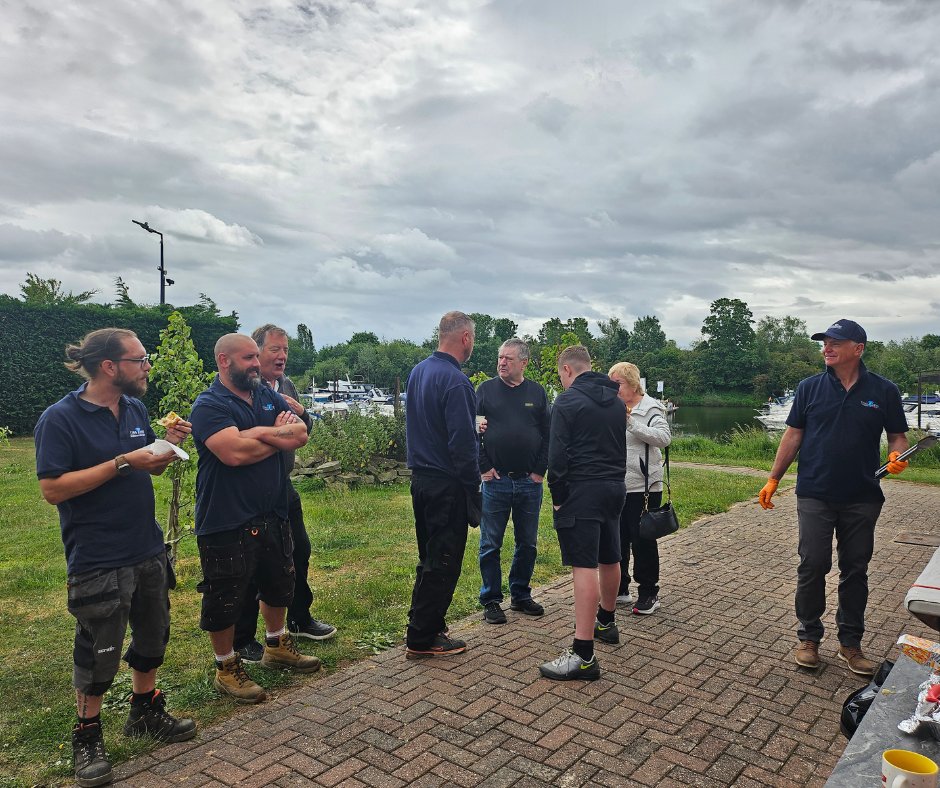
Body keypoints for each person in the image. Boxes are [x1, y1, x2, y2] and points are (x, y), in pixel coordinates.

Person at [35, 328, 196, 788]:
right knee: (99, 648)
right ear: (110, 366)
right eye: (141, 359)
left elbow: (149, 463)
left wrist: (164, 446)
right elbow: (53, 489)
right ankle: (86, 734)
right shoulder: (59, 419)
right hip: (98, 555)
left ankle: (145, 711)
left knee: (153, 636)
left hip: (146, 545)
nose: (148, 367)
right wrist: (125, 460)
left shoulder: (135, 408)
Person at [759, 319, 909, 675]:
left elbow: (898, 436)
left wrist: (897, 457)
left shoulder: (884, 390)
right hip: (815, 492)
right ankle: (808, 637)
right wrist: (773, 478)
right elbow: (793, 435)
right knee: (812, 565)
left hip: (863, 495)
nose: (826, 348)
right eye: (824, 342)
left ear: (858, 348)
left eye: (835, 342)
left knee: (855, 569)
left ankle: (850, 645)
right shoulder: (809, 388)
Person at [189, 333, 320, 704]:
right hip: (227, 516)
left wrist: (258, 433)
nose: (256, 364)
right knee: (226, 595)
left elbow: (300, 432)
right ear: (223, 361)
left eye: (255, 357)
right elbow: (233, 454)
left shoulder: (265, 393)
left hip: (273, 508)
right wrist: (275, 435)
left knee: (280, 580)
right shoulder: (209, 405)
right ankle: (226, 666)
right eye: (248, 357)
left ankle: (277, 645)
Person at [233, 325, 336, 663]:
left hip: (283, 484)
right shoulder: (244, 389)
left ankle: (298, 618)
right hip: (249, 490)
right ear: (256, 352)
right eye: (275, 350)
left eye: (285, 350)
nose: (281, 357)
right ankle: (243, 638)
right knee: (249, 563)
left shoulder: (285, 386)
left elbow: (304, 430)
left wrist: (303, 414)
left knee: (298, 550)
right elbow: (244, 438)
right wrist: (282, 431)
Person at [540, 346, 626, 681]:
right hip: (614, 488)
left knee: (584, 566)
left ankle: (583, 653)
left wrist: (558, 496)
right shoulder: (617, 402)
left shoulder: (567, 401)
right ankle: (606, 621)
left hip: (582, 492)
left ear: (566, 369)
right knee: (610, 556)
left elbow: (557, 456)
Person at [405, 311, 481, 658]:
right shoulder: (455, 381)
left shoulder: (419, 372)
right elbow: (462, 444)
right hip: (445, 484)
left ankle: (427, 622)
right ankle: (423, 637)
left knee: (429, 555)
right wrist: (473, 487)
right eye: (473, 339)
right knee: (443, 559)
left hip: (421, 480)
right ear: (465, 337)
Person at [476, 338, 550, 624]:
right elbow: (471, 427)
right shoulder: (485, 391)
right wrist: (483, 466)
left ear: (524, 363)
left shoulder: (537, 392)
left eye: (508, 358)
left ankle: (520, 595)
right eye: (500, 357)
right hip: (496, 481)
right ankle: (492, 600)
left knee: (527, 543)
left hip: (529, 483)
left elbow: (548, 434)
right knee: (490, 543)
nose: (502, 362)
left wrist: (539, 471)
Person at [608, 362, 671, 616]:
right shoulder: (613, 407)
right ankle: (620, 588)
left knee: (642, 540)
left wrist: (631, 422)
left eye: (618, 383)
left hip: (644, 486)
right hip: (617, 484)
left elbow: (664, 438)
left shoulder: (651, 407)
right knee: (618, 539)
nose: (614, 388)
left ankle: (648, 592)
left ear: (633, 384)